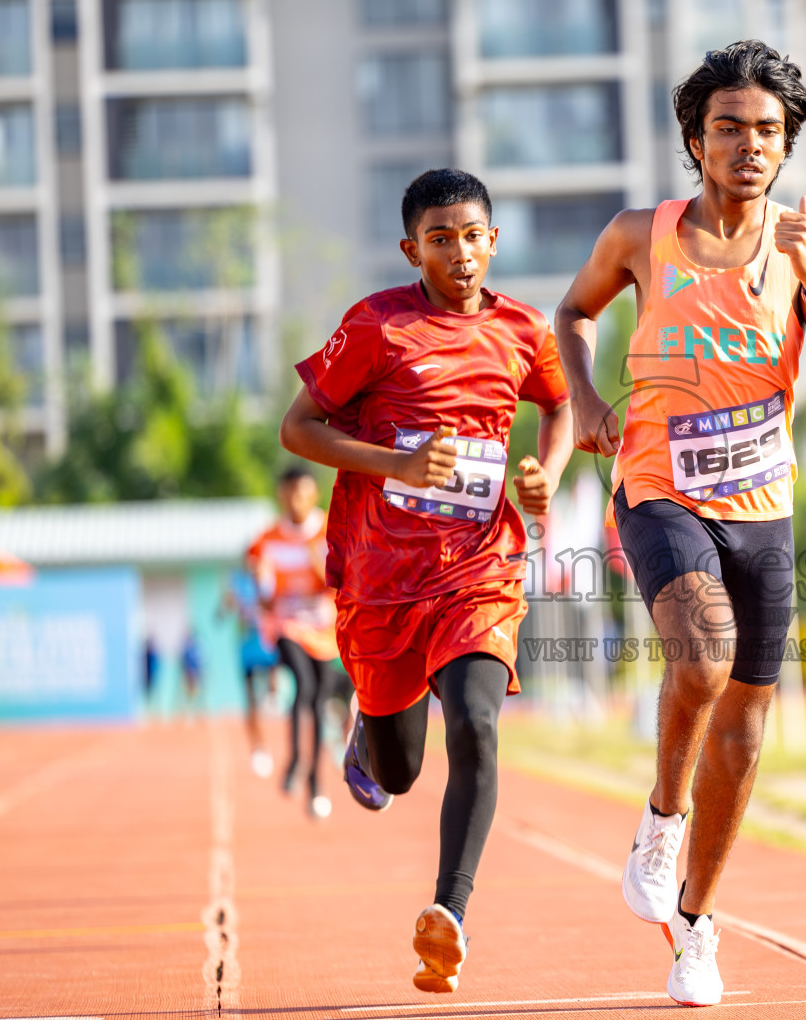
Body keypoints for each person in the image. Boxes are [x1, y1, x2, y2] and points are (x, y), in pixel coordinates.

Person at [554, 40, 806, 1007]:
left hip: (762, 507)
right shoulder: (639, 234)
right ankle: (660, 819)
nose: (747, 145)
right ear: (696, 139)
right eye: (727, 128)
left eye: (766, 131)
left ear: (786, 146)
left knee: (748, 724)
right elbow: (571, 313)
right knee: (701, 661)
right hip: (658, 486)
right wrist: (589, 403)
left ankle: (694, 925)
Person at [279, 168, 572, 994]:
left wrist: (545, 472)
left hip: (478, 568)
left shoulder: (522, 327)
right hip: (382, 576)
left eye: (473, 235)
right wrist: (397, 462)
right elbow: (297, 428)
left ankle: (449, 914)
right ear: (413, 249)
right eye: (440, 239)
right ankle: (368, 740)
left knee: (476, 722)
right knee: (401, 772)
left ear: (494, 240)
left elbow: (558, 406)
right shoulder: (375, 326)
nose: (461, 252)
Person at [246, 466, 341, 820]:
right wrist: (261, 585)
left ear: (313, 495)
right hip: (286, 626)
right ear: (280, 495)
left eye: (302, 493)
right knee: (303, 684)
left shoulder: (331, 529)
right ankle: (296, 761)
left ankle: (316, 783)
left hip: (324, 629)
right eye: (288, 493)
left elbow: (344, 581)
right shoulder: (267, 539)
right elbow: (264, 596)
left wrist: (323, 571)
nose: (295, 501)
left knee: (318, 698)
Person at [221, 568, 281, 777]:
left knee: (274, 682)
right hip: (247, 648)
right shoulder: (238, 582)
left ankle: (274, 695)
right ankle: (258, 748)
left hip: (268, 645)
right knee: (251, 701)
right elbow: (222, 613)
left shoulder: (271, 579)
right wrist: (230, 601)